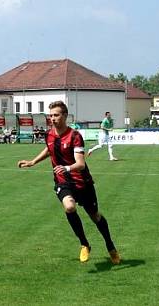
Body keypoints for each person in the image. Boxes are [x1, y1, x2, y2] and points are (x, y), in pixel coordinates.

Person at [18, 101, 121, 265]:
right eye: (50, 115)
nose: (52, 118)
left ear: (65, 116)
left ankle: (111, 247)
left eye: (56, 115)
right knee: (69, 207)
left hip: (82, 182)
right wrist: (33, 162)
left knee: (95, 216)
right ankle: (84, 244)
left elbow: (80, 164)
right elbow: (49, 149)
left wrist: (66, 168)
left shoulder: (75, 136)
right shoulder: (49, 135)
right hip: (63, 181)